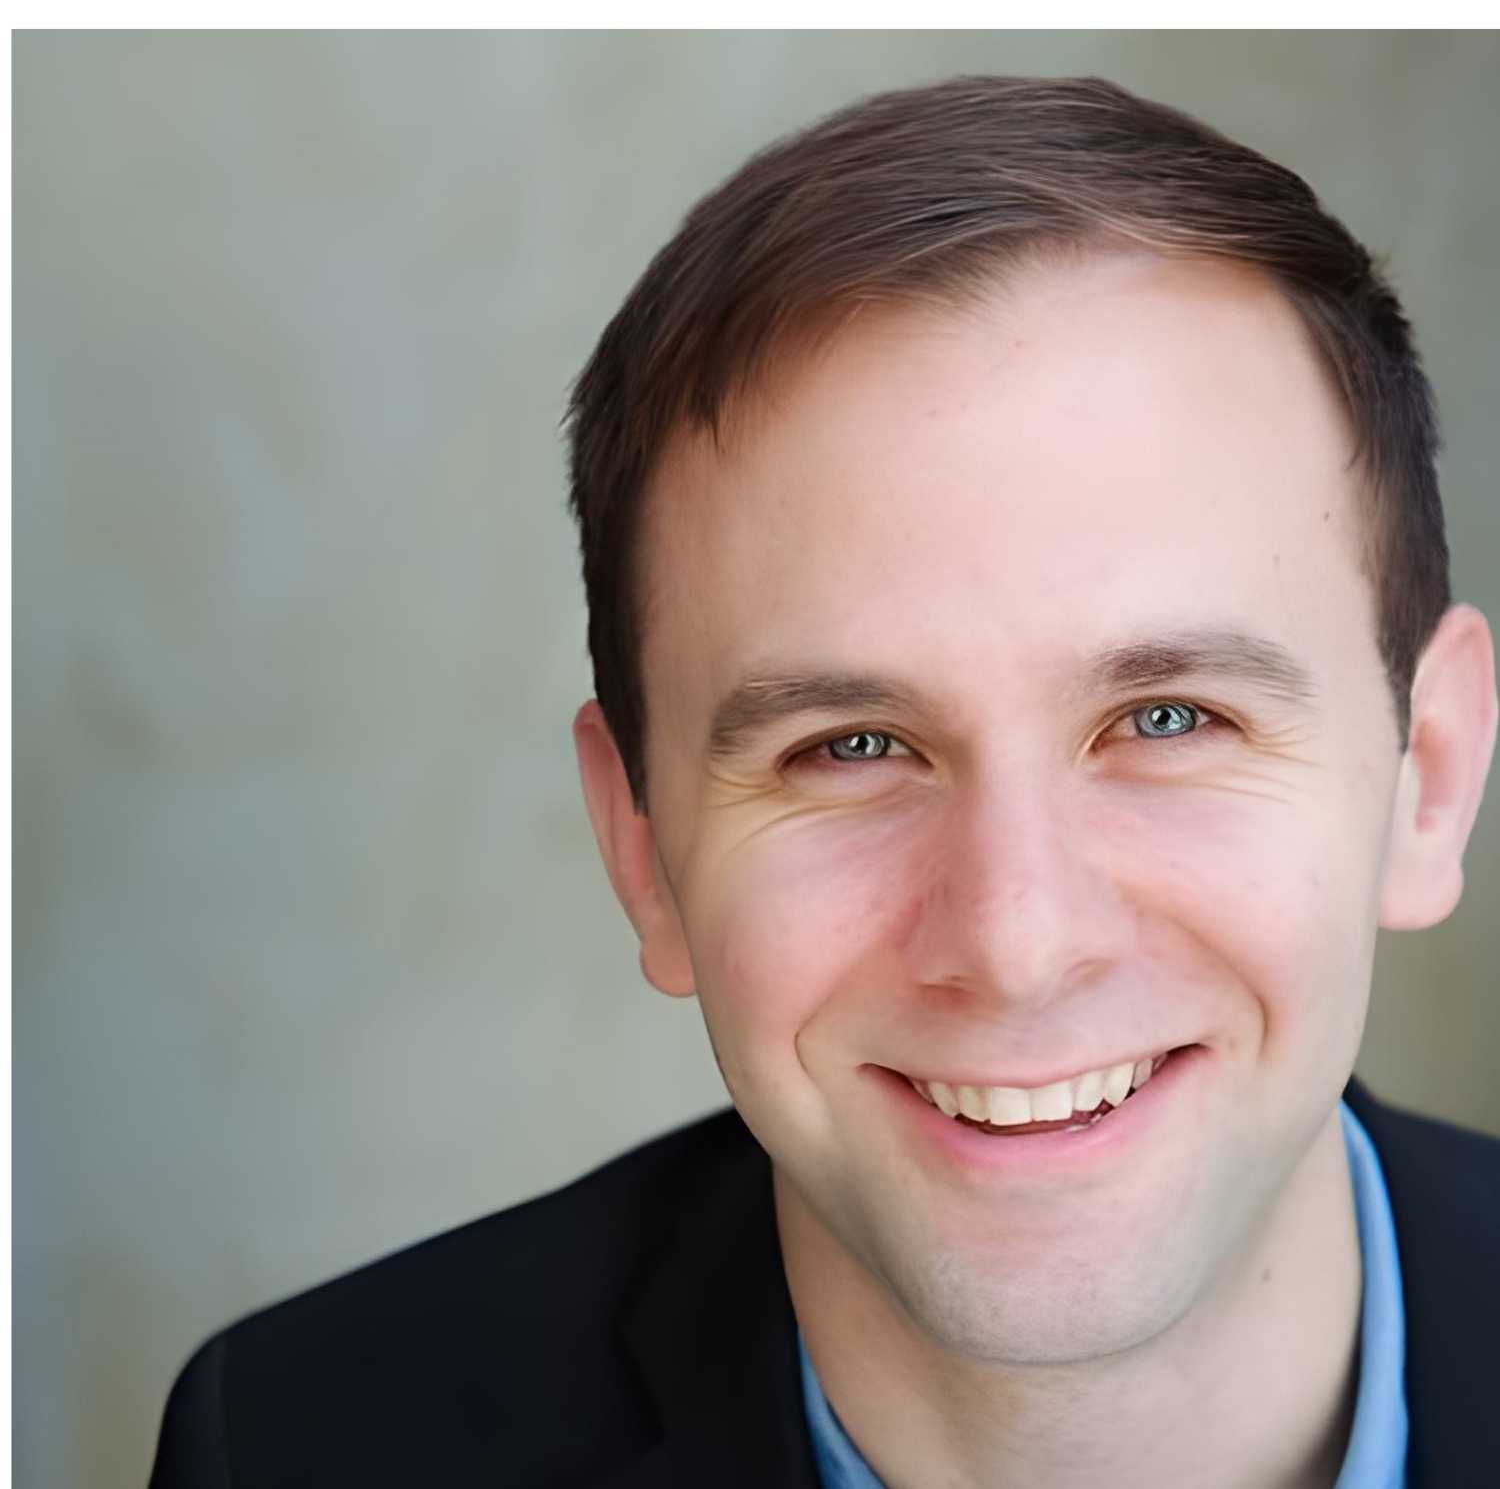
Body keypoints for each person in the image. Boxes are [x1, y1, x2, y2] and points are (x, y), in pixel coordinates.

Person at [148, 75, 1500, 1489]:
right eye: (851, 748)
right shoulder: (307, 1448)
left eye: (1168, 718)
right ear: (643, 846)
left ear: (1429, 773)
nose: (1018, 943)